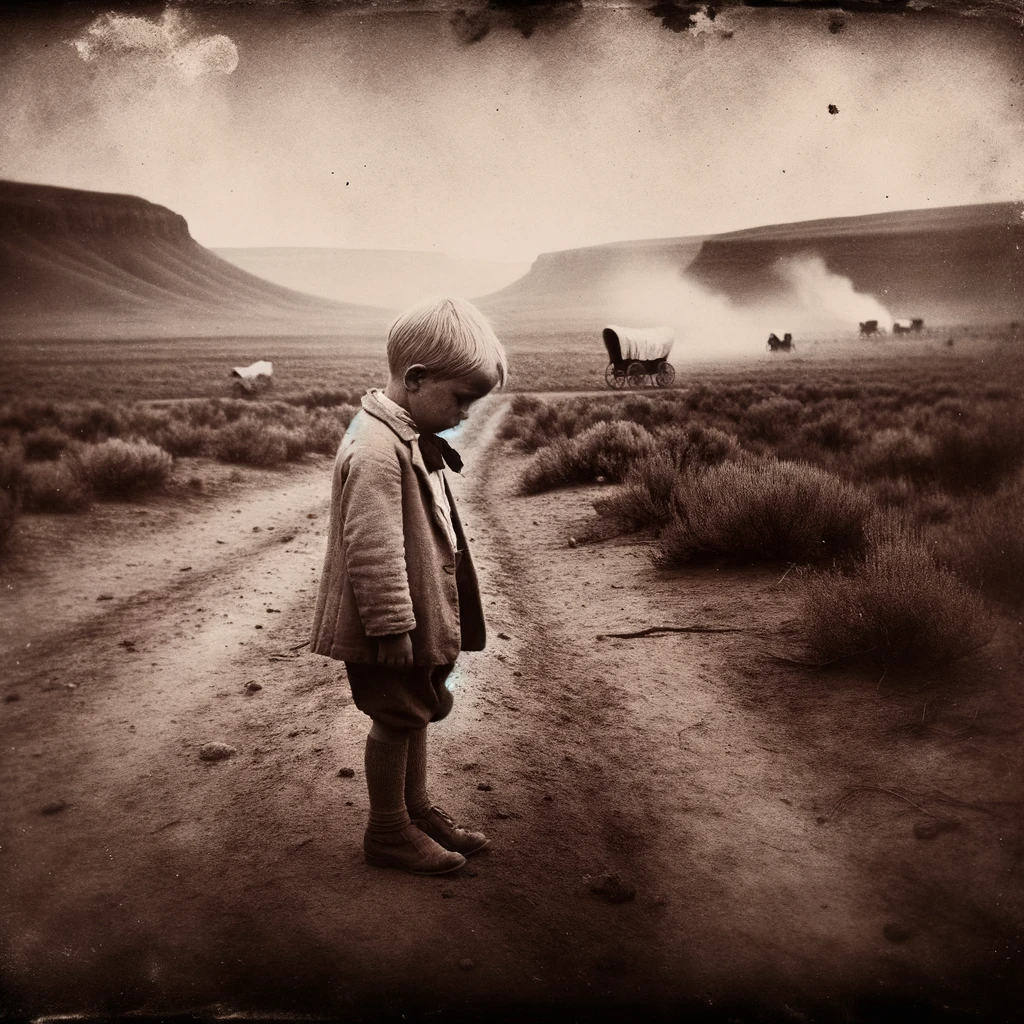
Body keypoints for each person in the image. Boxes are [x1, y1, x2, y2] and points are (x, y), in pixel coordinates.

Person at [310, 296, 508, 875]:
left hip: (412, 613)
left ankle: (415, 809)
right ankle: (389, 832)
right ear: (417, 379)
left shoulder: (400, 434)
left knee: (414, 709)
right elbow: (371, 548)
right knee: (397, 714)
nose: (468, 412)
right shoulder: (375, 449)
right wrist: (392, 627)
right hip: (389, 622)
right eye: (462, 398)